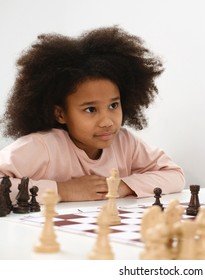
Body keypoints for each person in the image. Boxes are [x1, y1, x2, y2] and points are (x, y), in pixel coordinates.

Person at [0, 26, 185, 203]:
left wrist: (122, 186)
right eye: (90, 109)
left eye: (113, 105)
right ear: (60, 114)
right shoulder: (43, 146)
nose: (107, 122)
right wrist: (63, 190)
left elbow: (174, 175)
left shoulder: (125, 143)